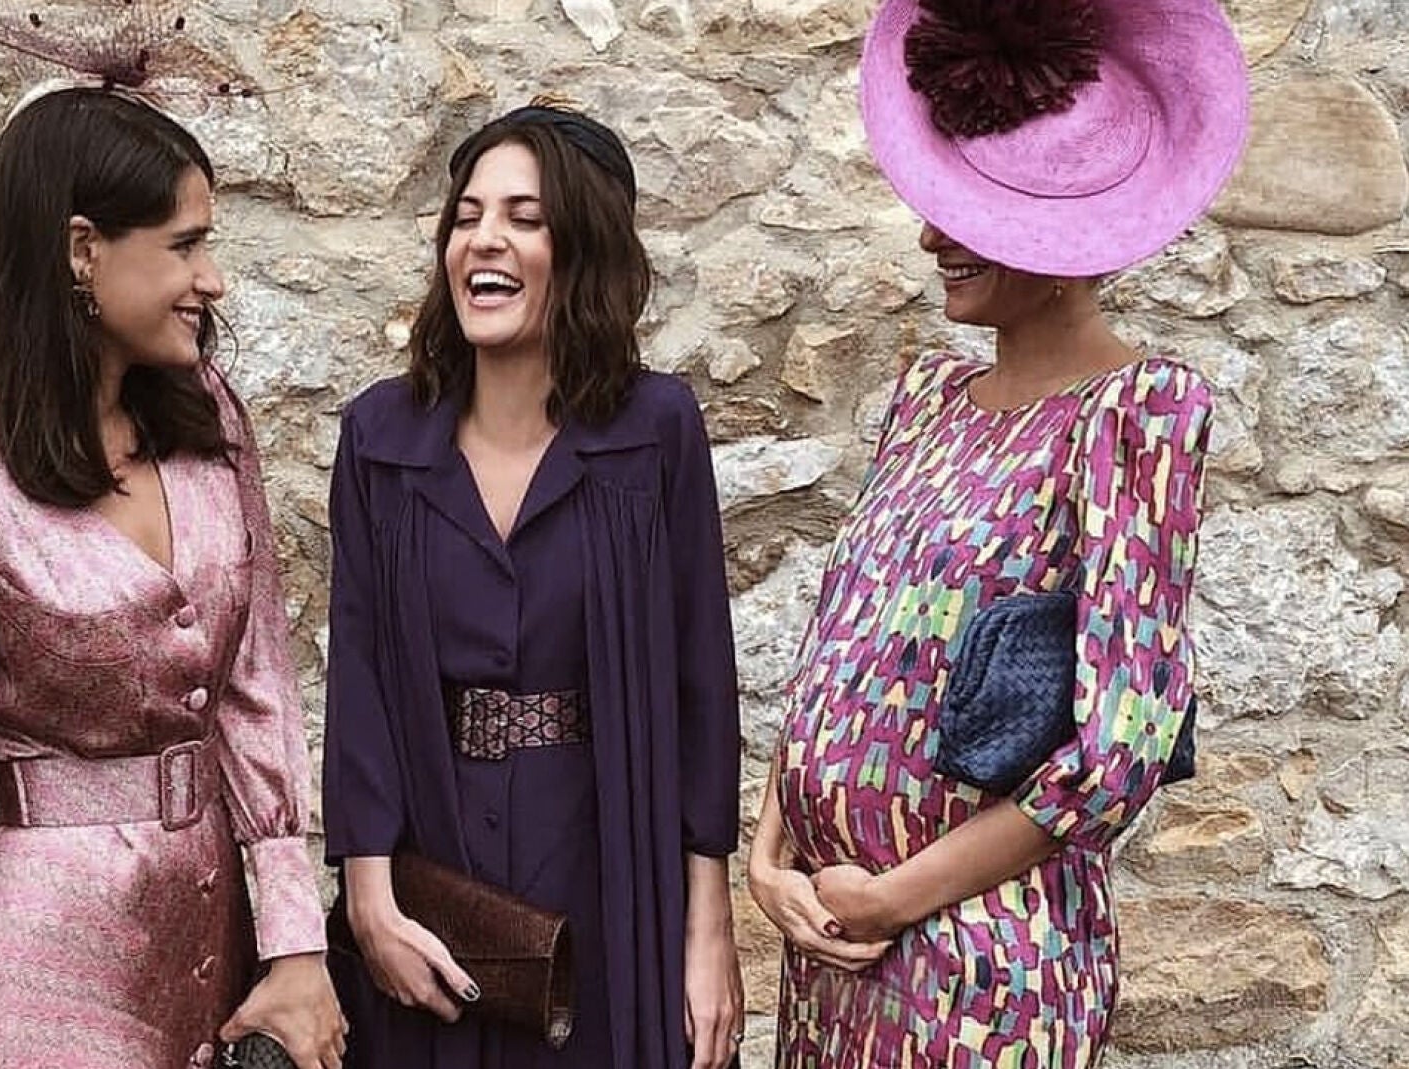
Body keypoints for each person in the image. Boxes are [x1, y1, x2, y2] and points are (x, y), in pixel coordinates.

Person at [746, 1, 1250, 1066]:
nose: (931, 238)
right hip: (833, 951)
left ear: (1062, 236)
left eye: (967, 215)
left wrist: (893, 897)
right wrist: (769, 858)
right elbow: (838, 647)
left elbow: (1124, 741)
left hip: (981, 965)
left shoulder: (1135, 411)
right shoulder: (927, 399)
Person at [0, 83, 345, 1069]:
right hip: (54, 959)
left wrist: (293, 940)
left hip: (219, 937)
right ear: (83, 250)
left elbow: (255, 684)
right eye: (185, 245)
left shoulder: (209, 425)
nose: (212, 279)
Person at [322, 103, 746, 1069]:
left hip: (609, 860)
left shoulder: (656, 431)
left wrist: (706, 924)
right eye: (467, 216)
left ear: (583, 248)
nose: (484, 239)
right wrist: (369, 895)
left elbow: (701, 682)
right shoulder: (381, 439)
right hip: (434, 871)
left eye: (525, 217)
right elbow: (359, 677)